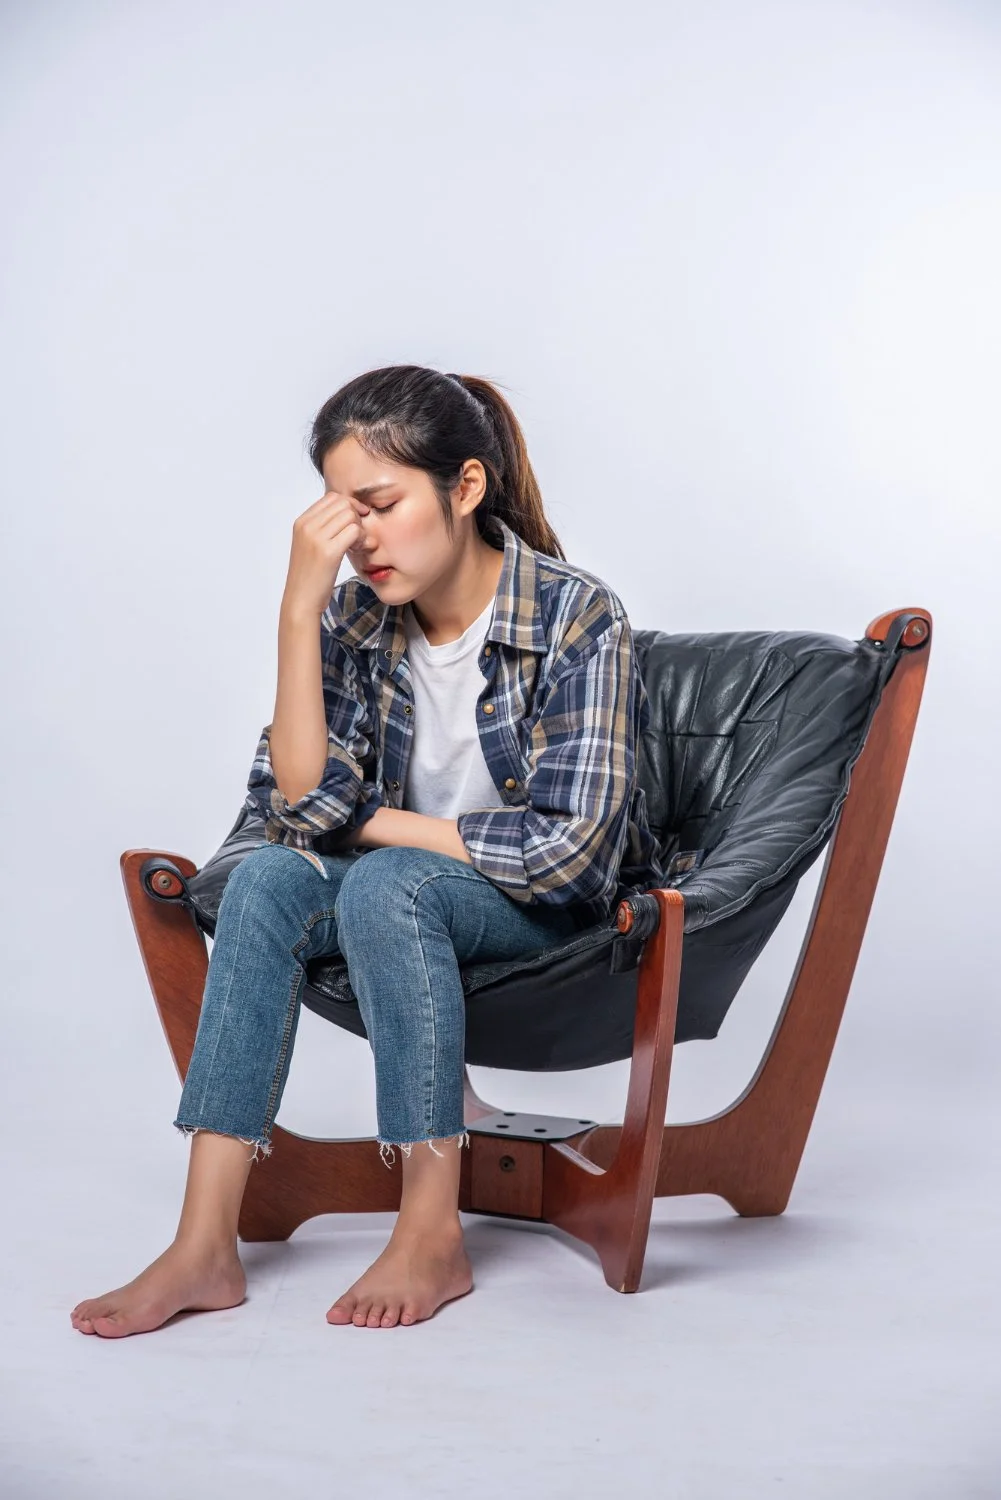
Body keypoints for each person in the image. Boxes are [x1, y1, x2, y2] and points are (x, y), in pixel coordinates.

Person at [70, 364, 664, 1337]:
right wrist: (297, 612)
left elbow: (569, 856)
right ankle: (203, 1240)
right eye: (340, 513)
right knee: (264, 879)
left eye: (380, 505)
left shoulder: (575, 616)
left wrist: (369, 826)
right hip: (402, 896)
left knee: (389, 881)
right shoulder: (351, 617)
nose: (359, 540)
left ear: (463, 488)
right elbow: (286, 805)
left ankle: (430, 1227)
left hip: (544, 914)